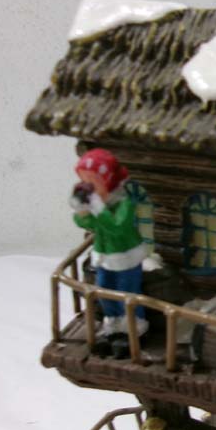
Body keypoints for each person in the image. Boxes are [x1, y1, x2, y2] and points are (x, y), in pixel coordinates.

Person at [70, 148, 148, 357]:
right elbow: (85, 223)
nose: (89, 187)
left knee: (127, 295)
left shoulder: (125, 203)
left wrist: (97, 206)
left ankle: (133, 330)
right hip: (104, 258)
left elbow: (116, 227)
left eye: (94, 182)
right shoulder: (100, 205)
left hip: (126, 258)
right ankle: (113, 328)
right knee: (104, 292)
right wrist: (82, 209)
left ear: (109, 181)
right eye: (85, 181)